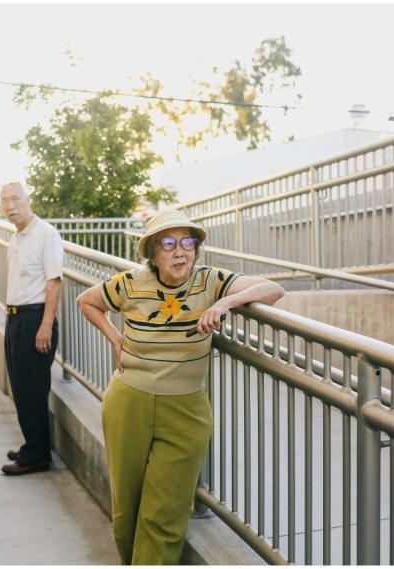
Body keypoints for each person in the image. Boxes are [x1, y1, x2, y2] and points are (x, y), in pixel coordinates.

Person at [76, 209, 285, 564]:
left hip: (185, 410)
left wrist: (225, 302)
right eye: (169, 243)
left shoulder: (209, 280)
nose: (180, 251)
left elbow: (273, 289)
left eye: (188, 242)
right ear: (153, 254)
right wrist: (115, 338)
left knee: (165, 515)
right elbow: (87, 301)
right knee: (126, 510)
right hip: (128, 402)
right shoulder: (130, 282)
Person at [0, 181, 64, 475]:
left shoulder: (45, 235)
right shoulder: (15, 237)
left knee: (34, 390)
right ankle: (31, 445)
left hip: (36, 320)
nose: (10, 206)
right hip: (15, 320)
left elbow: (54, 282)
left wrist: (45, 326)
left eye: (15, 199)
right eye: (4, 201)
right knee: (21, 389)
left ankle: (37, 456)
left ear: (29, 200)